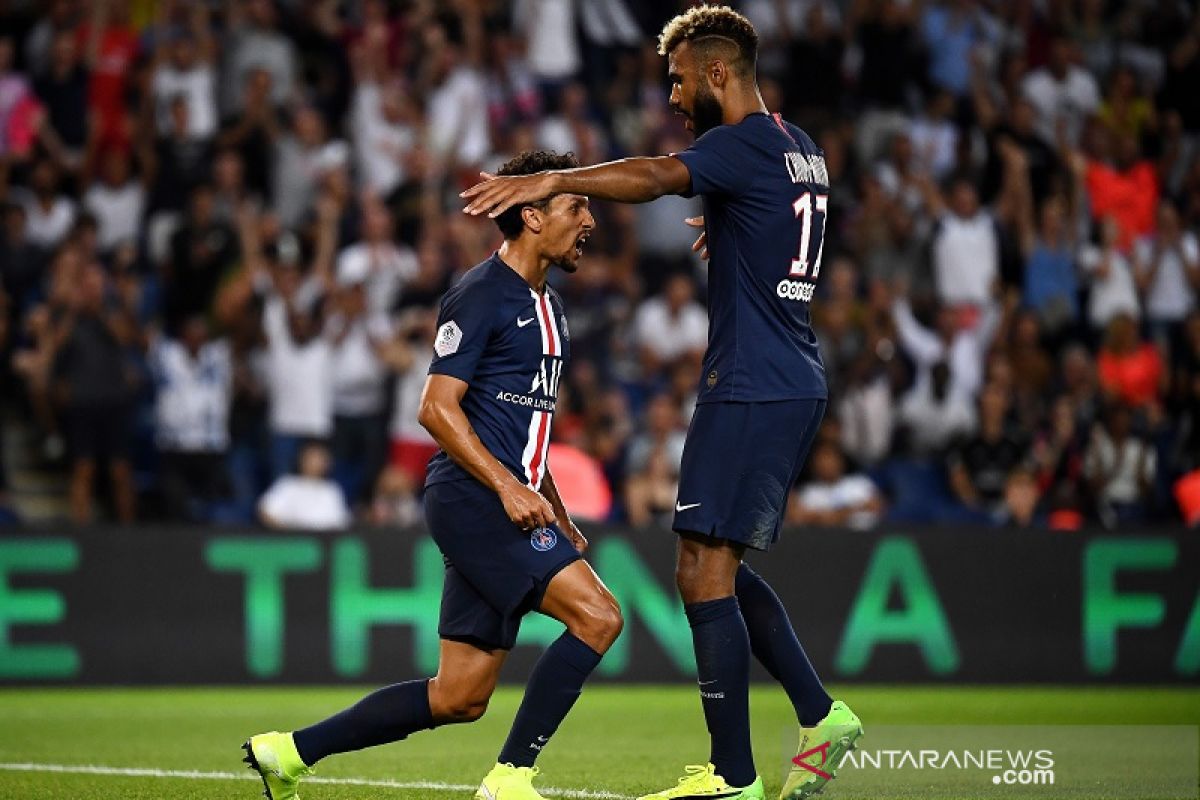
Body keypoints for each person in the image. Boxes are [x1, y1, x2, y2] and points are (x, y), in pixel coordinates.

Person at [461, 8, 861, 799]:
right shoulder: (799, 146)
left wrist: (561, 178)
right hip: (793, 375)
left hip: (748, 382)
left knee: (701, 573)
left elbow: (653, 174)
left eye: (680, 79)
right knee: (714, 563)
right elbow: (774, 214)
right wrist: (731, 223)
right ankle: (819, 716)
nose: (674, 96)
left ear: (718, 72)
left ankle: (732, 775)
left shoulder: (734, 144)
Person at [243, 150, 622, 800]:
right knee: (600, 617)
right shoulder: (478, 295)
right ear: (531, 214)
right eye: (576, 205)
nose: (589, 219)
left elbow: (529, 428)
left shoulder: (552, 309)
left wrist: (551, 503)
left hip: (506, 498)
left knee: (460, 696)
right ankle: (511, 778)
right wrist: (507, 487)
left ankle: (289, 752)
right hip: (475, 497)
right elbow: (434, 408)